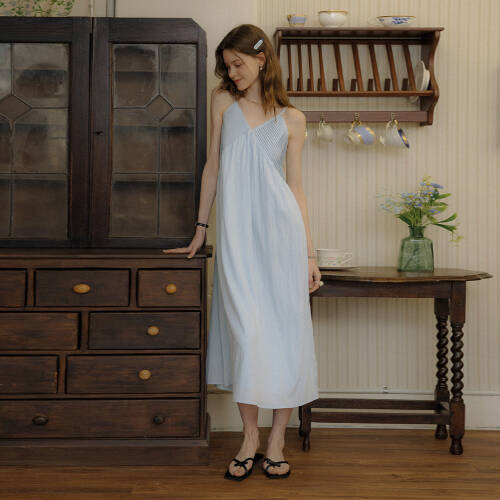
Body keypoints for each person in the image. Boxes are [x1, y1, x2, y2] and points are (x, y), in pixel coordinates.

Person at [163, 23, 322, 481]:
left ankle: (276, 440)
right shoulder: (223, 103)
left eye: (237, 64)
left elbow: (295, 189)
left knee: (286, 336)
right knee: (247, 336)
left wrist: (309, 255)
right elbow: (212, 167)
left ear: (261, 59)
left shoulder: (292, 119)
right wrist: (200, 229)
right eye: (227, 66)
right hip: (238, 241)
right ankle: (249, 436)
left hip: (282, 238)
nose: (232, 73)